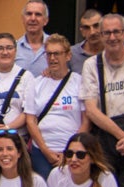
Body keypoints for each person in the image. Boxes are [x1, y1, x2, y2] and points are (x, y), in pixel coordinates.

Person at [82, 13, 124, 187]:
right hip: (106, 134)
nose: (112, 37)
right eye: (107, 33)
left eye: (116, 32)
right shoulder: (91, 64)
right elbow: (91, 109)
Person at [21, 34, 84, 176]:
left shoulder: (79, 82)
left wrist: (70, 151)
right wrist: (45, 150)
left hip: (73, 152)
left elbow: (86, 121)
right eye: (48, 54)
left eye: (57, 54)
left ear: (68, 56)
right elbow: (30, 120)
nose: (52, 58)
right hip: (42, 151)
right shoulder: (36, 83)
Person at [13, 0, 51, 74]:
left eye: (38, 14)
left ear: (46, 20)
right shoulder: (13, 48)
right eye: (29, 14)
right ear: (23, 19)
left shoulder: (56, 47)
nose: (33, 18)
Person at [67, 8, 105, 74]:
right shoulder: (71, 54)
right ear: (82, 31)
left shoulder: (114, 51)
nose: (92, 32)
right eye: (87, 28)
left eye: (96, 26)